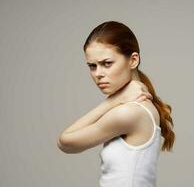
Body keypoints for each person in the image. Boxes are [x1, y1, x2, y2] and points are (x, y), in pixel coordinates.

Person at [57, 20, 175, 187]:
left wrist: (112, 101)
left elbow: (65, 142)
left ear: (133, 60)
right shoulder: (138, 107)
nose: (98, 74)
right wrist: (116, 101)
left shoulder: (130, 113)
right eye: (92, 66)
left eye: (107, 63)